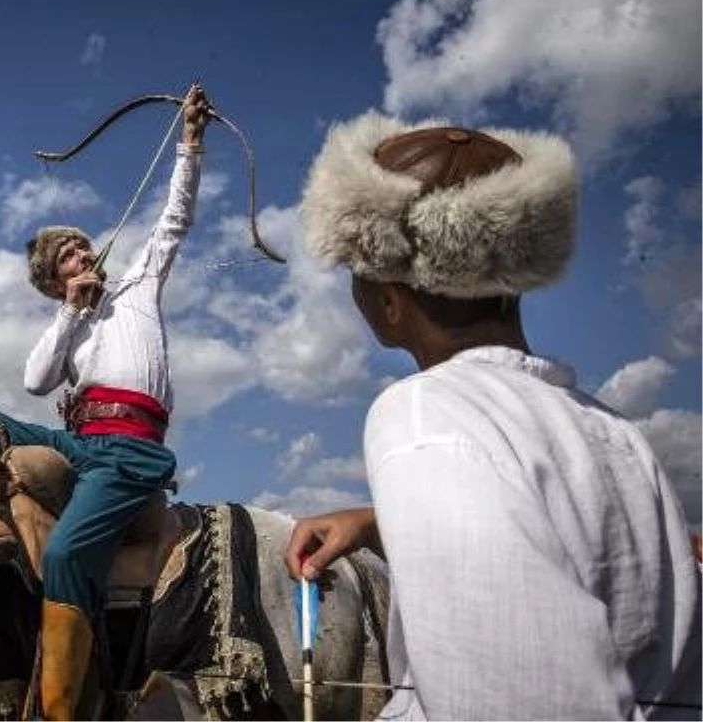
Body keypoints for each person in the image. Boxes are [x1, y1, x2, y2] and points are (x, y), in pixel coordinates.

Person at [284, 113, 703, 721]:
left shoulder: (424, 413)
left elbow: (527, 702)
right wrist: (380, 523)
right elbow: (575, 542)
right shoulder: (613, 430)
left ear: (389, 300)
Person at [0, 85, 211, 722]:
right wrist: (70, 312)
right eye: (68, 256)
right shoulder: (69, 320)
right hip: (83, 445)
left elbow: (175, 218)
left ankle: (65, 710)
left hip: (131, 450)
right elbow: (35, 380)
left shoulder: (139, 285)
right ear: (56, 280)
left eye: (82, 247)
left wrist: (190, 142)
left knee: (63, 556)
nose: (83, 254)